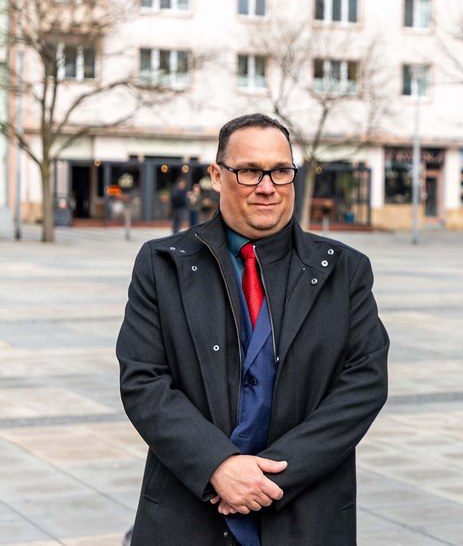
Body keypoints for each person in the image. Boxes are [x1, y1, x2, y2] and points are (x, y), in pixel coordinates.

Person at [117, 114, 390, 546]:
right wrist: (218, 467)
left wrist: (271, 476)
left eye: (281, 171)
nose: (268, 186)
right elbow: (143, 382)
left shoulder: (346, 270)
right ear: (216, 176)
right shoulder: (161, 264)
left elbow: (364, 386)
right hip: (188, 515)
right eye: (249, 171)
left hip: (304, 514)